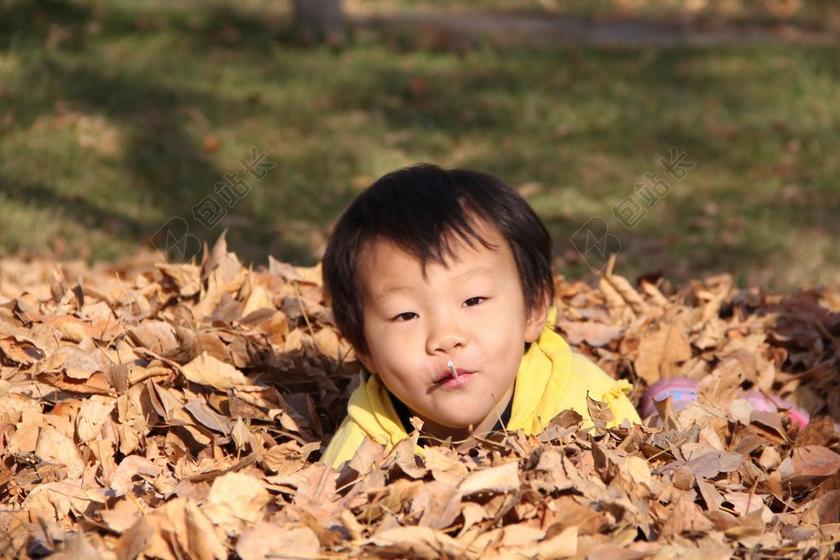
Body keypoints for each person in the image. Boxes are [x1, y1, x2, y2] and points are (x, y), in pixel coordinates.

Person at [318, 164, 641, 470]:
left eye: (473, 300)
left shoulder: (587, 412)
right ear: (363, 347)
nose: (445, 338)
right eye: (406, 315)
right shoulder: (358, 456)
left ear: (534, 309)